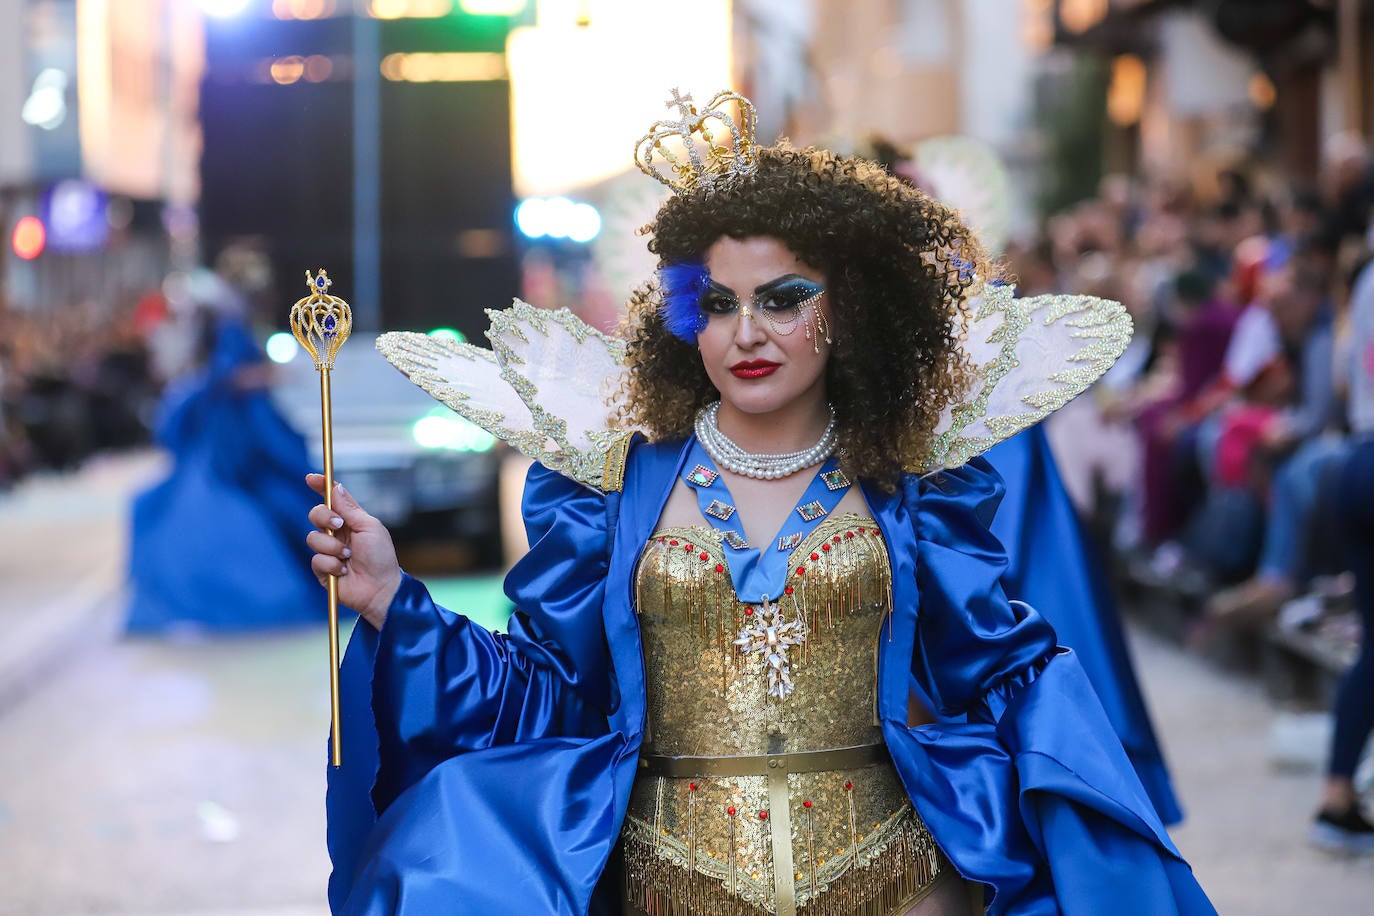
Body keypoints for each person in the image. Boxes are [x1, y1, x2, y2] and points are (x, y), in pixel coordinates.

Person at [313, 91, 1213, 914]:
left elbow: (1002, 676)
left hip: (900, 893)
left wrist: (1089, 833)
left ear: (850, 308)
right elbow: (555, 696)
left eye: (784, 300)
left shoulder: (916, 489)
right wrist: (395, 599)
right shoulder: (610, 491)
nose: (746, 333)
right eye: (716, 303)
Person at [127, 268, 323, 633]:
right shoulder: (221, 334)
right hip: (226, 436)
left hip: (234, 436)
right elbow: (232, 377)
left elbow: (235, 376)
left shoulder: (225, 334)